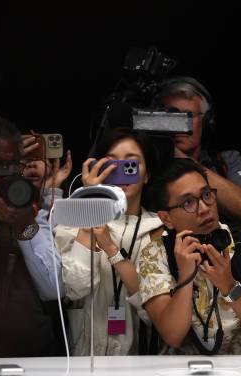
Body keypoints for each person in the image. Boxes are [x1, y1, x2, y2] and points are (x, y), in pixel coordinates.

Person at [138, 159, 241, 354]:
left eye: (206, 195)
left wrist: (229, 286)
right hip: (183, 375)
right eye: (188, 202)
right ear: (166, 218)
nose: (204, 208)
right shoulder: (155, 254)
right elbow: (173, 336)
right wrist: (185, 277)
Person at [55, 129, 163, 356]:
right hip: (82, 357)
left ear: (147, 175)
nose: (121, 172)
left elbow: (155, 314)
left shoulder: (158, 230)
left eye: (131, 164)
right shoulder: (71, 221)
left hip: (138, 361)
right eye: (110, 165)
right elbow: (75, 287)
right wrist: (91, 202)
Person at [0, 116, 60, 356]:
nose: (1, 174)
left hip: (29, 360)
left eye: (10, 165)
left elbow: (53, 288)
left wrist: (24, 225)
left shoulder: (33, 211)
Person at [156, 76, 241, 222]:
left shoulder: (227, 161)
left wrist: (180, 157)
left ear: (205, 122)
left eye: (188, 116)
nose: (179, 126)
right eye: (172, 116)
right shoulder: (148, 165)